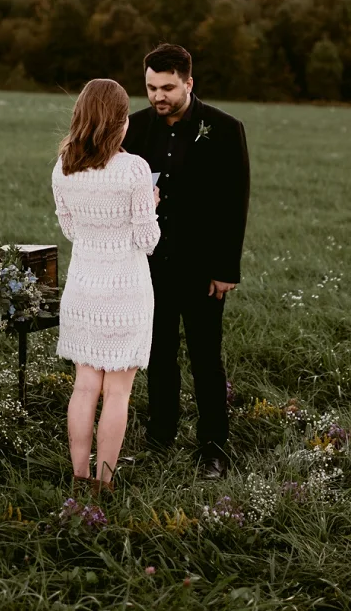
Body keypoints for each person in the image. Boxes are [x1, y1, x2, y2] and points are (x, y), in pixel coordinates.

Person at [123, 44, 250, 480]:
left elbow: (234, 202)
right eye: (151, 87)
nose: (158, 96)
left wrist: (226, 269)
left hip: (202, 268)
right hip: (149, 264)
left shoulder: (225, 128)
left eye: (167, 88)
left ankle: (213, 448)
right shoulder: (134, 129)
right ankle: (160, 437)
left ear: (189, 83)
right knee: (158, 354)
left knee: (205, 358)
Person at [51, 78, 161, 494]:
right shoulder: (134, 169)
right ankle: (104, 483)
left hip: (82, 290)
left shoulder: (64, 166)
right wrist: (151, 205)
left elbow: (70, 230)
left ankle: (79, 476)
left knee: (84, 387)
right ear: (120, 121)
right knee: (117, 393)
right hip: (125, 292)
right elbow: (148, 240)